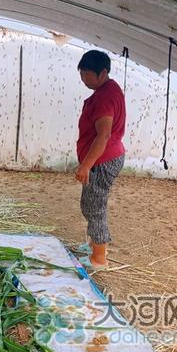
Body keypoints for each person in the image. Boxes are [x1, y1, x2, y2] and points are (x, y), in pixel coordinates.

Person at [75, 50, 126, 268]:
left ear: (102, 72)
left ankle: (98, 258)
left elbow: (103, 134)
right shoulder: (109, 89)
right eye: (82, 74)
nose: (83, 78)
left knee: (95, 207)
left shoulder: (105, 97)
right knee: (90, 203)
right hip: (105, 157)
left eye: (86, 74)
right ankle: (93, 245)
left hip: (102, 160)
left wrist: (86, 165)